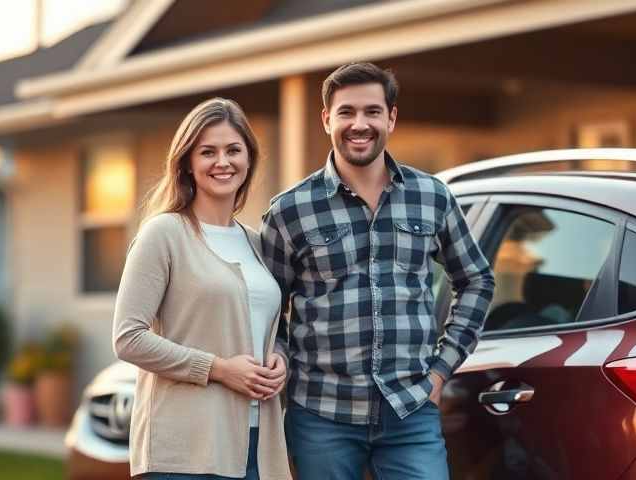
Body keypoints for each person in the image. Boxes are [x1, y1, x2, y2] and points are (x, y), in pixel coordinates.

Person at [260, 63, 495, 480]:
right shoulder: (289, 211)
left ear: (391, 118)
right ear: (326, 119)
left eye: (371, 111)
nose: (359, 124)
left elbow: (476, 279)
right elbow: (267, 308)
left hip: (410, 410)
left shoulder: (431, 197)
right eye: (346, 112)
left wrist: (441, 371)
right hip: (321, 415)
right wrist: (278, 356)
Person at [113, 98, 292, 480]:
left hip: (256, 444)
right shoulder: (164, 234)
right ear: (187, 164)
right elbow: (128, 337)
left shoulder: (258, 244)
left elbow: (263, 325)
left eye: (233, 150)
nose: (222, 162)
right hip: (184, 450)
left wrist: (280, 357)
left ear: (249, 159)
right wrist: (219, 369)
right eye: (207, 152)